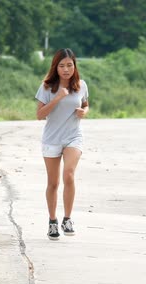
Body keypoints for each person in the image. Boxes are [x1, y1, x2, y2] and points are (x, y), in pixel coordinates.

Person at [35, 48, 89, 241]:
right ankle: (52, 222)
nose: (66, 69)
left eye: (69, 65)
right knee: (53, 183)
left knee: (69, 175)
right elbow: (40, 115)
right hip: (51, 139)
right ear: (55, 67)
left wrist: (85, 111)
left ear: (74, 66)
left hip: (73, 136)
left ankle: (67, 218)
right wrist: (57, 98)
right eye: (62, 66)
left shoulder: (80, 85)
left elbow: (85, 104)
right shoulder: (47, 87)